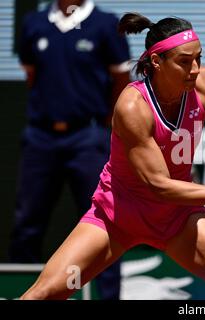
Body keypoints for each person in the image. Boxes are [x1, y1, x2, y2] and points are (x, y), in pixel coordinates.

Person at [20, 12, 205, 300]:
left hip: (178, 221)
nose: (195, 69)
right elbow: (160, 186)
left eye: (199, 58)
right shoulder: (132, 107)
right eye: (184, 61)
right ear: (157, 61)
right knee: (43, 295)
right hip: (116, 218)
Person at [9, 0, 130, 300]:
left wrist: (102, 128)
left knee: (104, 225)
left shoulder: (105, 24)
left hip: (89, 137)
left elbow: (121, 82)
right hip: (41, 137)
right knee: (26, 224)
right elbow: (32, 76)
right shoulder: (34, 23)